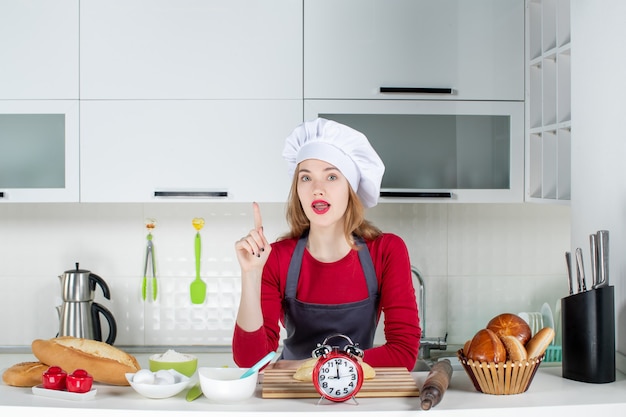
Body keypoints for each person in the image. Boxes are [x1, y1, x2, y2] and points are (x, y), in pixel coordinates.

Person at [232, 118, 420, 371]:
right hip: (291, 401)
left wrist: (305, 368)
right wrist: (251, 274)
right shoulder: (275, 257)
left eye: (331, 176)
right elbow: (250, 362)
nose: (317, 189)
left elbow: (404, 354)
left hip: (358, 399)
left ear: (350, 189)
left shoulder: (386, 251)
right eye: (306, 178)